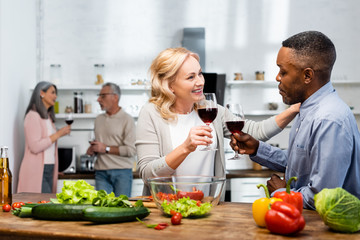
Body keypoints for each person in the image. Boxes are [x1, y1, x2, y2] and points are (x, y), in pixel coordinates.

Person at [135, 47, 300, 196]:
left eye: (200, 73)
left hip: (207, 208)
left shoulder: (209, 108)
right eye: (190, 77)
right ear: (170, 85)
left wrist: (293, 109)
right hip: (167, 209)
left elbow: (256, 130)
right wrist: (185, 148)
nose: (200, 81)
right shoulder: (151, 113)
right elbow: (147, 174)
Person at [231, 31, 360, 209]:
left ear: (307, 76)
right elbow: (300, 163)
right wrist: (257, 149)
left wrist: (282, 193)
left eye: (283, 71)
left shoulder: (329, 120)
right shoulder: (308, 110)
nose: (277, 77)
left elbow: (322, 196)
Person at [17, 81, 71, 193]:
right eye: (52, 92)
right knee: (42, 206)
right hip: (36, 171)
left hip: (48, 169)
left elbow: (49, 150)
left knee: (46, 205)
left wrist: (54, 169)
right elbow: (35, 147)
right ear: (42, 93)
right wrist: (58, 134)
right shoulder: (32, 115)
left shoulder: (48, 118)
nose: (55, 96)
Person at [86, 82, 136, 197]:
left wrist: (105, 148)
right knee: (103, 209)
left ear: (115, 97)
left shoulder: (127, 120)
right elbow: (101, 144)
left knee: (121, 209)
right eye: (99, 96)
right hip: (101, 173)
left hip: (122, 172)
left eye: (103, 96)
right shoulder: (98, 119)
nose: (98, 99)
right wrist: (93, 149)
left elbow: (131, 150)